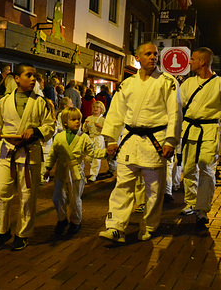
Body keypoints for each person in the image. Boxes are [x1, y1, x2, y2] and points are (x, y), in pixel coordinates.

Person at [98, 42, 181, 243]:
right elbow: (116, 113)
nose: (153, 57)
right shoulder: (127, 84)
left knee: (154, 189)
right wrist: (111, 138)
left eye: (155, 54)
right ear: (137, 57)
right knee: (122, 185)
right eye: (148, 54)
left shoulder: (168, 82)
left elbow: (175, 113)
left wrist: (171, 140)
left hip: (155, 142)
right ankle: (116, 226)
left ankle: (150, 224)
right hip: (130, 140)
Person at [0, 62, 55, 251]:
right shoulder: (4, 101)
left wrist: (35, 130)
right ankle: (2, 231)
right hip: (7, 151)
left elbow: (50, 126)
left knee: (27, 196)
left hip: (29, 152)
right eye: (28, 75)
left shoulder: (40, 102)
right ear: (17, 78)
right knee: (1, 191)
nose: (33, 79)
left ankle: (23, 233)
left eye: (34, 76)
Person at [179, 47, 221, 227]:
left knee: (206, 169)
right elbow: (177, 108)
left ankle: (202, 209)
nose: (189, 62)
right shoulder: (187, 84)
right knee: (189, 168)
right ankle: (190, 202)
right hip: (189, 130)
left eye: (193, 59)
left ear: (202, 62)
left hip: (209, 132)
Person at [45, 107, 107, 237]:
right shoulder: (59, 137)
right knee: (58, 198)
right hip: (61, 172)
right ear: (65, 122)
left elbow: (93, 151)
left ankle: (75, 222)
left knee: (74, 199)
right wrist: (48, 168)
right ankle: (62, 219)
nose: (77, 122)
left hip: (76, 173)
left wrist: (107, 152)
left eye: (79, 119)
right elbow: (53, 153)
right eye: (73, 119)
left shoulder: (83, 137)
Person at [83, 100, 106, 182]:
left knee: (96, 157)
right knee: (88, 157)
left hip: (99, 138)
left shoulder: (102, 119)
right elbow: (84, 129)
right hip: (91, 138)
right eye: (94, 107)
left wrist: (100, 126)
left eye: (97, 107)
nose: (95, 108)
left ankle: (93, 174)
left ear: (101, 109)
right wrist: (85, 125)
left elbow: (106, 129)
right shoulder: (89, 118)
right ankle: (94, 168)